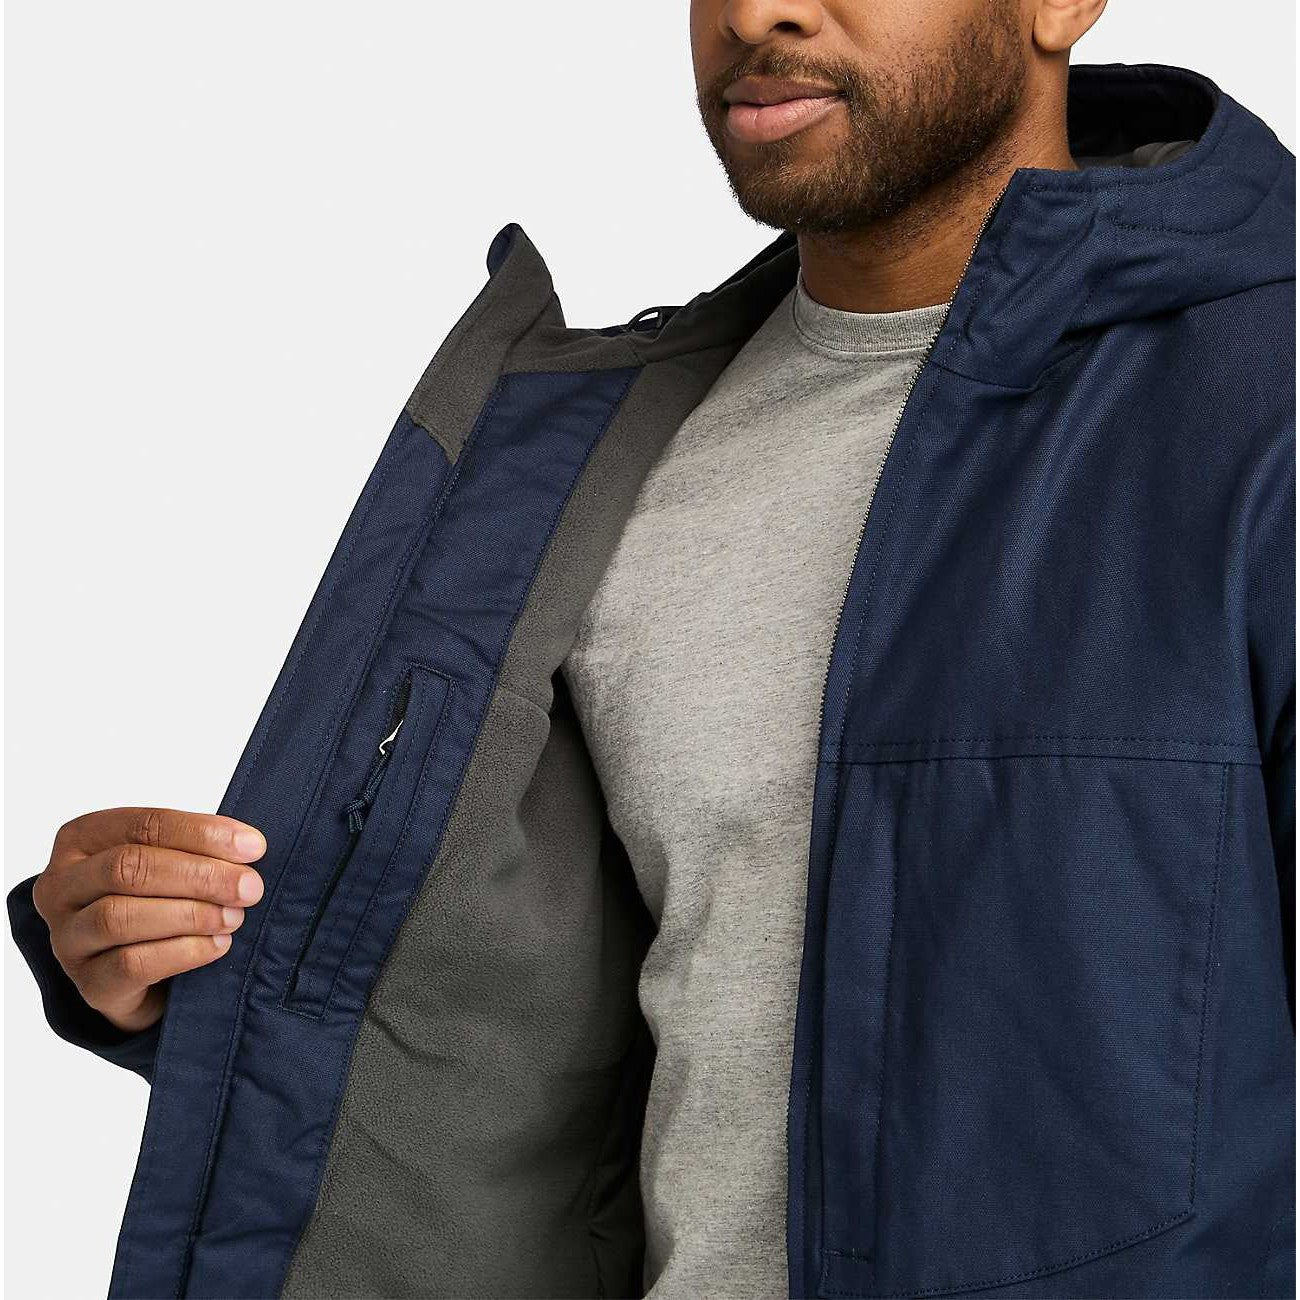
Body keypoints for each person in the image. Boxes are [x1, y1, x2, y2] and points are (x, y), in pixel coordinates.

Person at [9, 2, 1295, 1298]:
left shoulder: (1261, 410)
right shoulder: (597, 458)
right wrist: (193, 982)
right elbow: (545, 1055)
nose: (754, 12)